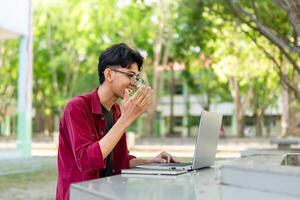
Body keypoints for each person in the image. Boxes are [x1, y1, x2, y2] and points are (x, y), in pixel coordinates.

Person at [56, 43, 178, 200]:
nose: (134, 83)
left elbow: (120, 161)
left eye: (136, 77)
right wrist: (125, 120)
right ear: (108, 75)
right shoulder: (77, 107)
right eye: (129, 75)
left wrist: (153, 161)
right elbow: (86, 161)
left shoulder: (116, 111)